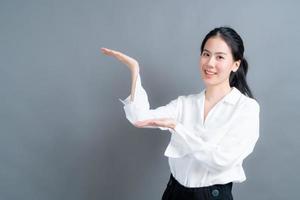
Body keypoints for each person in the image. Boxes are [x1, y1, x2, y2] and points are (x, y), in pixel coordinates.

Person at [101, 26, 260, 200]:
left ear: (235, 64)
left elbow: (221, 161)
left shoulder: (246, 108)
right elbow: (139, 119)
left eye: (220, 57)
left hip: (212, 196)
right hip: (175, 193)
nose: (209, 63)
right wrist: (134, 70)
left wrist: (178, 128)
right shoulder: (185, 104)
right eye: (206, 54)